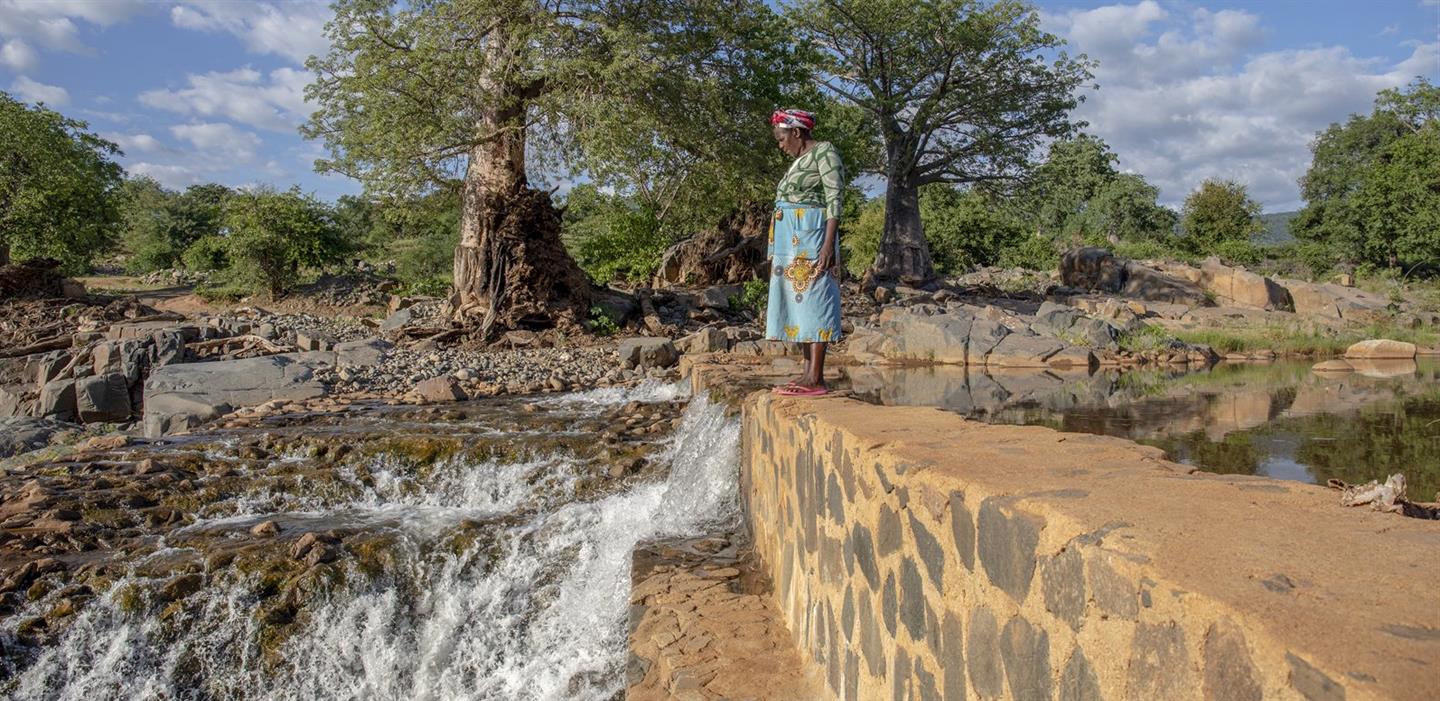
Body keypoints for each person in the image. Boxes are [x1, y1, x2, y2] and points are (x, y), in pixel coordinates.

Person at [766, 108, 844, 397]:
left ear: (797, 132)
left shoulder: (824, 152)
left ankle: (816, 378)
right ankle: (807, 372)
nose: (781, 145)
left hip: (811, 236)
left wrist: (827, 244)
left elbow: (835, 198)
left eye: (782, 138)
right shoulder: (801, 160)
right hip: (793, 240)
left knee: (815, 300)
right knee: (798, 305)